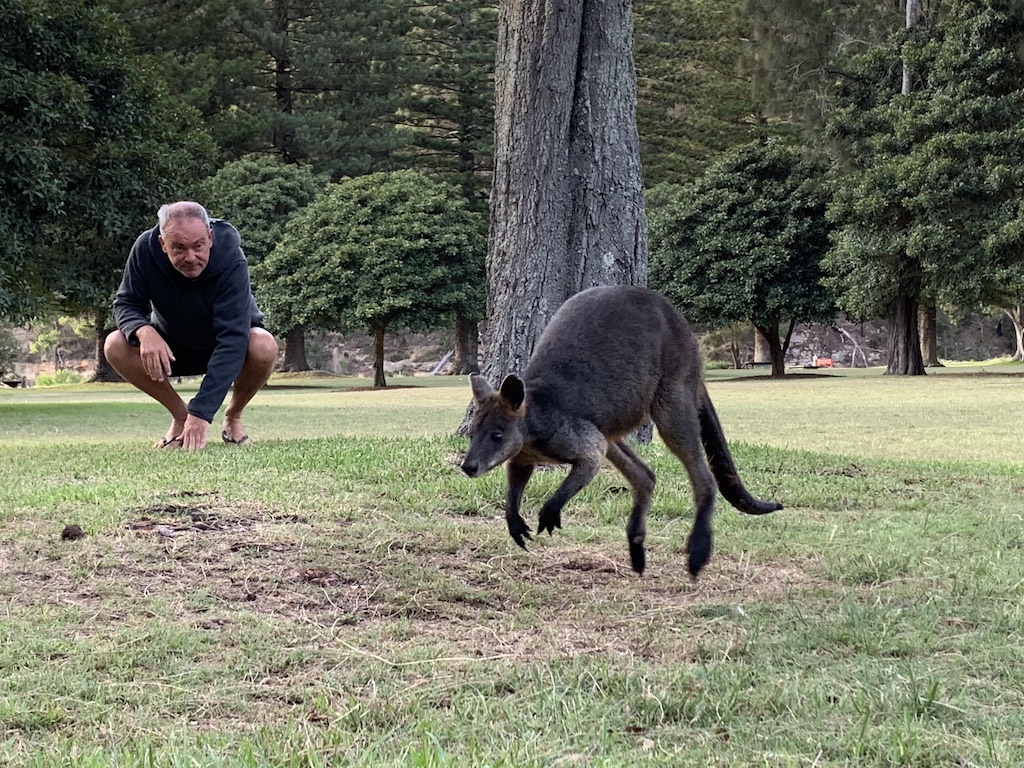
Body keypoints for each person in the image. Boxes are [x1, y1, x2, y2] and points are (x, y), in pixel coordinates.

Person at [104, 201, 278, 450]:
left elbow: (233, 339)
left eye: (198, 246)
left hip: (228, 349)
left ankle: (233, 417)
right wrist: (143, 330)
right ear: (163, 244)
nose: (190, 258)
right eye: (179, 248)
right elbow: (126, 303)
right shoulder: (144, 249)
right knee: (114, 344)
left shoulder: (231, 260)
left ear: (210, 238)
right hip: (172, 349)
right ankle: (180, 416)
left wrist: (202, 412)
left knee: (263, 344)